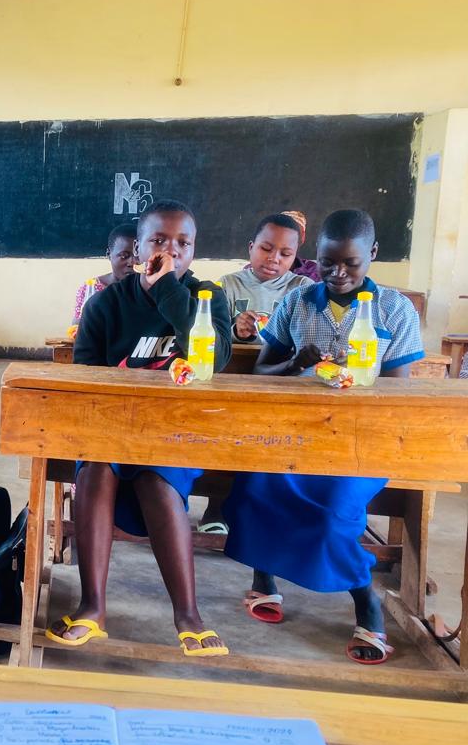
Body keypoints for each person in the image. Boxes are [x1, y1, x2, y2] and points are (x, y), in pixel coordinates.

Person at [223, 209, 424, 665]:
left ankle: (365, 600)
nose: (337, 273)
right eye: (328, 262)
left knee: (334, 509)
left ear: (372, 255)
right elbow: (261, 374)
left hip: (362, 440)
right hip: (295, 436)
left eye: (350, 263)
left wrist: (359, 373)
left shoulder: (394, 309)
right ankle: (265, 578)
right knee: (257, 486)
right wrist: (295, 364)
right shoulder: (297, 303)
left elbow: (398, 390)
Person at [47, 199, 231, 658]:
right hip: (110, 428)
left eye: (182, 244)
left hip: (176, 431)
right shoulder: (105, 305)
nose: (170, 251)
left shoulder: (207, 297)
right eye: (158, 241)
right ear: (136, 250)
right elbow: (86, 380)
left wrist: (169, 289)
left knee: (155, 474)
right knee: (95, 470)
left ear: (194, 252)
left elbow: (216, 358)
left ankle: (187, 614)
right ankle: (92, 608)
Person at [219, 213, 313, 344]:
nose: (274, 259)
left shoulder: (303, 288)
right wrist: (237, 332)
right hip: (235, 362)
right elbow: (211, 338)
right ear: (251, 248)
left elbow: (311, 338)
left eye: (285, 254)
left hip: (284, 364)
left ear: (294, 257)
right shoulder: (228, 285)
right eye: (266, 248)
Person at [71, 222, 138, 324]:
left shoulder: (151, 289)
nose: (132, 263)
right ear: (109, 254)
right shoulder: (90, 289)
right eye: (124, 256)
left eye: (137, 256)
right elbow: (77, 328)